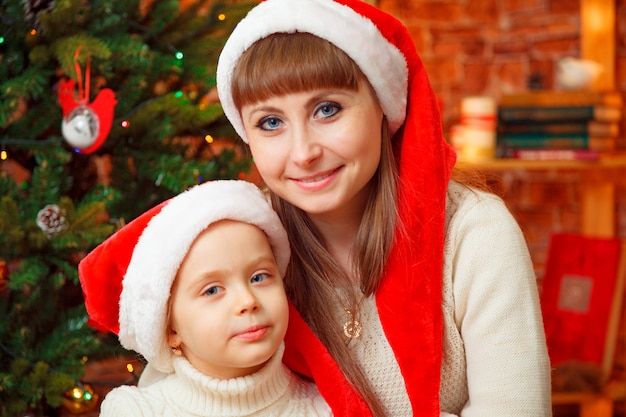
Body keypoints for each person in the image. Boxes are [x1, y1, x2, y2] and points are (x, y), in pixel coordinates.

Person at [215, 0, 553, 416]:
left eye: (327, 109)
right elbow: (179, 396)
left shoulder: (475, 232)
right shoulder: (239, 241)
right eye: (270, 122)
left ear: (384, 107)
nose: (303, 152)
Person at [77, 180, 332, 416]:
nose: (247, 301)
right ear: (169, 330)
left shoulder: (324, 407)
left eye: (259, 277)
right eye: (212, 290)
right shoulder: (138, 412)